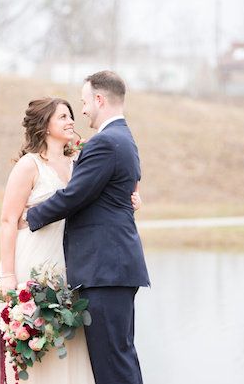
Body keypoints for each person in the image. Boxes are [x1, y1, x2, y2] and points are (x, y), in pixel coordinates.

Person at [0, 96, 142, 384]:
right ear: (44, 125)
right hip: (33, 258)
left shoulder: (79, 161)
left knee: (70, 342)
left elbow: (101, 189)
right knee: (35, 340)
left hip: (71, 265)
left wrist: (130, 196)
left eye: (71, 115)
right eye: (63, 117)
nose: (71, 121)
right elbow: (8, 221)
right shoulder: (28, 166)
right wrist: (8, 274)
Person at [25, 71, 150, 384]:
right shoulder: (124, 138)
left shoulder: (107, 142)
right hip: (113, 268)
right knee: (119, 358)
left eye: (83, 102)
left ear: (99, 100)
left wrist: (31, 217)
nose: (81, 111)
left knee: (113, 365)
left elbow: (74, 195)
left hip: (105, 268)